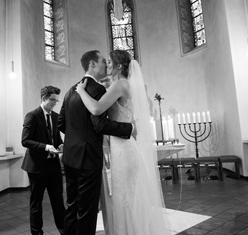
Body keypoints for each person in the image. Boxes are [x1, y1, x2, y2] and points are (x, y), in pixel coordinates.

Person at [75, 49, 170, 235]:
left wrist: (81, 91)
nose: (107, 66)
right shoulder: (125, 84)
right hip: (125, 146)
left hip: (123, 150)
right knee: (126, 196)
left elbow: (95, 109)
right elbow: (129, 120)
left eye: (109, 63)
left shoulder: (119, 85)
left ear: (119, 65)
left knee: (123, 198)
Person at [57, 50, 133, 235]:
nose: (105, 65)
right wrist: (128, 129)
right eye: (102, 62)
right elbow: (99, 125)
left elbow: (61, 123)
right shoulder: (97, 89)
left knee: (72, 206)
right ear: (92, 64)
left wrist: (77, 138)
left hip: (69, 157)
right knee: (87, 211)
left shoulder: (70, 91)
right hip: (88, 157)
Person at [21, 86, 65, 235]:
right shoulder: (32, 115)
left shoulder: (56, 116)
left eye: (56, 100)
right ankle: (37, 232)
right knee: (36, 203)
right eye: (52, 100)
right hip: (36, 166)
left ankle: (64, 230)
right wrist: (46, 147)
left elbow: (57, 139)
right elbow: (25, 141)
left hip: (53, 165)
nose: (54, 103)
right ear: (43, 98)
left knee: (58, 201)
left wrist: (61, 145)